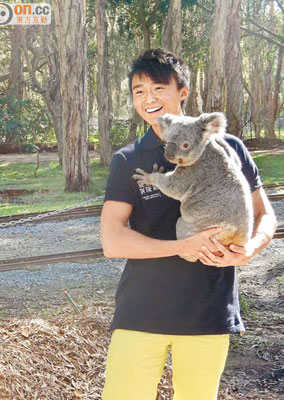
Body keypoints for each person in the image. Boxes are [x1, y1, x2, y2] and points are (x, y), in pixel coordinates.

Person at [100, 48, 277, 400]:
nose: (148, 99)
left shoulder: (229, 147)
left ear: (183, 91)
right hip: (141, 312)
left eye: (158, 88)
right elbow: (112, 240)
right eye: (139, 91)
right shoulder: (128, 159)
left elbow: (265, 215)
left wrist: (250, 249)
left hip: (207, 312)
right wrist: (182, 247)